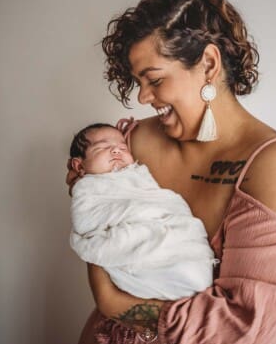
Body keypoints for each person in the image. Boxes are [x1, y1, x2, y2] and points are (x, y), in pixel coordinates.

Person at [66, 0, 276, 344]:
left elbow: (250, 338)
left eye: (153, 80)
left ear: (208, 64)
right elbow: (95, 227)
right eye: (138, 81)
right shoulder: (131, 140)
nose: (142, 98)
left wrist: (114, 304)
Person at [69, 122, 218, 301]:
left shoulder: (137, 174)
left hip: (168, 229)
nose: (116, 151)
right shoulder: (88, 188)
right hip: (134, 241)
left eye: (122, 147)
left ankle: (187, 268)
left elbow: (160, 201)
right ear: (79, 166)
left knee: (189, 259)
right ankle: (177, 275)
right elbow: (87, 222)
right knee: (177, 269)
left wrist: (154, 216)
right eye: (102, 148)